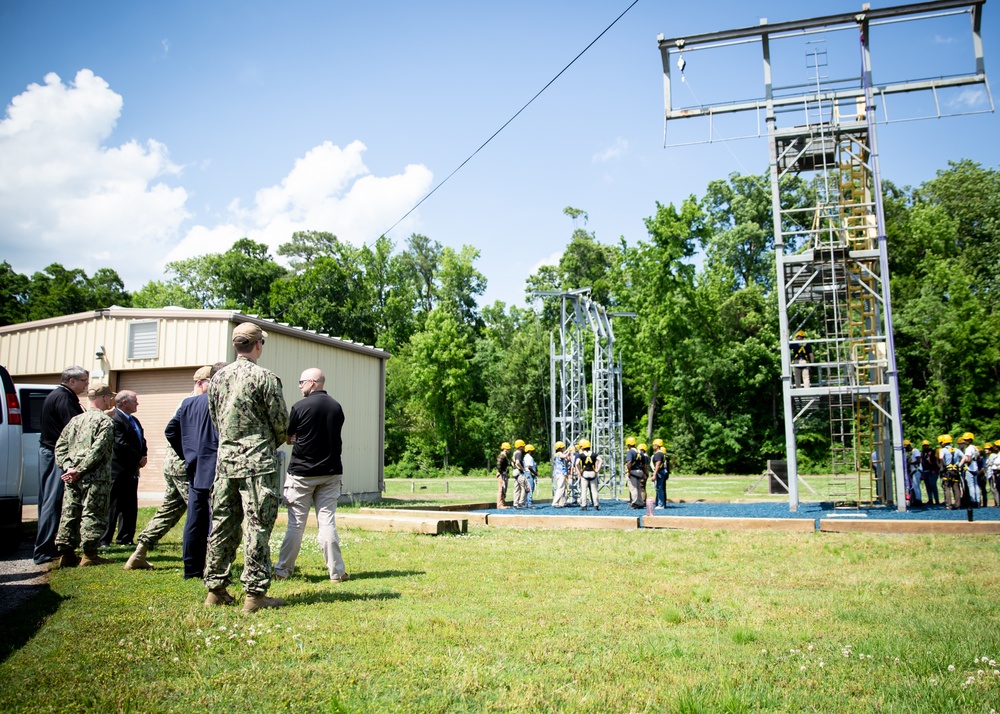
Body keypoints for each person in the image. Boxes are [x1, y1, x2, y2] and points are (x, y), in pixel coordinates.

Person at [204, 323, 289, 612]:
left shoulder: (217, 379)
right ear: (258, 346)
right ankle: (254, 595)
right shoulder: (265, 378)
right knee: (257, 525)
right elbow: (280, 422)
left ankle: (215, 590)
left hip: (226, 462)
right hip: (257, 463)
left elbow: (216, 420)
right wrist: (269, 442)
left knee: (222, 524)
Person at [125, 367, 210, 572]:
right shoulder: (194, 403)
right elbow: (173, 431)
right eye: (211, 381)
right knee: (202, 513)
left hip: (175, 464)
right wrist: (188, 456)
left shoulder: (187, 401)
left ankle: (139, 553)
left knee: (170, 510)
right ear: (200, 382)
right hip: (185, 465)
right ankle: (205, 561)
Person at [274, 368, 349, 583]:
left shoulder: (299, 407)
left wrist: (291, 439)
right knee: (327, 522)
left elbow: (289, 434)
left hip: (302, 474)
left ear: (313, 382)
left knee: (296, 524)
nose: (299, 386)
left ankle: (282, 571)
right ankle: (336, 573)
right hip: (331, 473)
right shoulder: (336, 407)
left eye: (301, 382)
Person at [164, 364, 223, 579]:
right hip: (217, 467)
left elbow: (170, 430)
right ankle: (215, 567)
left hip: (195, 466)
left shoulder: (188, 404)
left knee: (195, 519)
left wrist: (187, 453)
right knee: (217, 519)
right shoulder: (219, 402)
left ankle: (192, 569)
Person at [53, 384, 116, 567]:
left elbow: (60, 447)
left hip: (72, 477)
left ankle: (67, 553)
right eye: (109, 397)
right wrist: (79, 469)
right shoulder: (105, 422)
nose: (110, 400)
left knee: (70, 512)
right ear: (104, 398)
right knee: (93, 513)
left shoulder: (75, 420)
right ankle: (89, 554)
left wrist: (68, 467)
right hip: (94, 477)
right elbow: (99, 450)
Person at [33, 366, 87, 565]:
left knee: (49, 499)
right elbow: (75, 426)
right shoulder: (64, 397)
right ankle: (44, 551)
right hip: (56, 454)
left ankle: (49, 546)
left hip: (49, 452)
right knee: (53, 501)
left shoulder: (59, 395)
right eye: (84, 380)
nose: (86, 385)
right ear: (71, 381)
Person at [101, 391, 147, 547]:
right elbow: (120, 444)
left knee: (129, 504)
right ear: (123, 402)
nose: (137, 404)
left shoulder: (134, 420)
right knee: (113, 504)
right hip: (118, 469)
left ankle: (125, 538)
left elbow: (142, 439)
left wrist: (144, 455)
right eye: (134, 401)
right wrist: (138, 458)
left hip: (131, 469)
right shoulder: (116, 420)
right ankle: (104, 539)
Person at [575, 438, 603, 511]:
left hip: (585, 473)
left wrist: (579, 472)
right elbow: (601, 460)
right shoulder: (594, 454)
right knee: (594, 490)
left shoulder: (581, 455)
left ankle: (584, 505)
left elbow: (576, 463)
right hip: (593, 473)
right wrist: (597, 470)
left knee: (584, 490)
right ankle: (596, 504)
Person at [938, 434, 963, 510]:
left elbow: (941, 458)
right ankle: (957, 505)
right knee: (956, 488)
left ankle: (948, 505)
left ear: (944, 442)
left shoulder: (942, 450)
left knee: (947, 487)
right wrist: (959, 466)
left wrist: (944, 467)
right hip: (955, 471)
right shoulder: (957, 450)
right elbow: (964, 457)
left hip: (947, 471)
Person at [958, 432, 981, 508]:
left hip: (970, 468)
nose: (964, 441)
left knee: (971, 486)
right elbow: (978, 458)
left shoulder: (968, 449)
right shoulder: (975, 448)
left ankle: (973, 501)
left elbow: (969, 459)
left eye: (966, 440)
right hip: (975, 467)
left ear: (970, 440)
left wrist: (963, 461)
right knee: (976, 485)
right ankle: (978, 501)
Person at [624, 437, 643, 509]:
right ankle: (640, 502)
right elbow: (644, 464)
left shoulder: (630, 452)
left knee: (633, 488)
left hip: (633, 471)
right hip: (640, 471)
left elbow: (629, 462)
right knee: (638, 488)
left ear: (628, 445)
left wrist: (629, 472)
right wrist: (644, 473)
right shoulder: (640, 452)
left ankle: (635, 503)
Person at [920, 440, 940, 506]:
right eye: (924, 446)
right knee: (927, 486)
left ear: (928, 446)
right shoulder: (922, 453)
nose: (925, 447)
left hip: (933, 471)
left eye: (926, 445)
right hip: (925, 471)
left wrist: (935, 469)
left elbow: (935, 462)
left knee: (933, 485)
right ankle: (930, 499)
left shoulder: (933, 452)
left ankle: (937, 499)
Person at [651, 439, 669, 509]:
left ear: (656, 446)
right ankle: (661, 503)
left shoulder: (658, 454)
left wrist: (654, 475)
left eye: (654, 445)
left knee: (660, 488)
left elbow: (657, 465)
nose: (653, 446)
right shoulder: (662, 453)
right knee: (660, 488)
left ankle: (661, 504)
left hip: (660, 473)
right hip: (662, 472)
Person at [511, 440, 529, 509]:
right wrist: (523, 469)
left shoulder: (514, 453)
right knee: (524, 487)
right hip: (519, 472)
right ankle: (521, 503)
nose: (524, 447)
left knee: (516, 488)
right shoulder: (519, 453)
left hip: (515, 471)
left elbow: (513, 463)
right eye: (523, 446)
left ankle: (515, 503)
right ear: (520, 446)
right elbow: (518, 462)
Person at [551, 441, 569, 507]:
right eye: (563, 447)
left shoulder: (559, 454)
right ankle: (555, 502)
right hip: (560, 473)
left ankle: (562, 502)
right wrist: (569, 451)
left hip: (562, 473)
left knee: (563, 488)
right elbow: (564, 456)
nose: (564, 448)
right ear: (560, 448)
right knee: (560, 488)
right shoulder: (559, 454)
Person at [496, 442, 511, 509]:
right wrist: (502, 472)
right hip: (501, 475)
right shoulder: (502, 455)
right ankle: (499, 505)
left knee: (504, 489)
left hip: (504, 474)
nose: (509, 450)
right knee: (501, 489)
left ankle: (503, 503)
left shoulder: (505, 455)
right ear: (505, 449)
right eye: (508, 449)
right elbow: (498, 465)